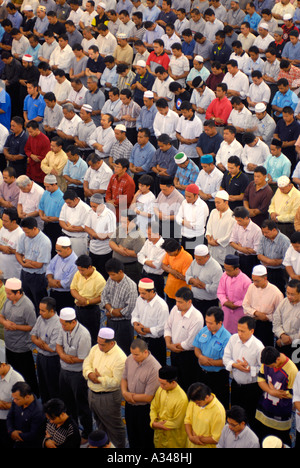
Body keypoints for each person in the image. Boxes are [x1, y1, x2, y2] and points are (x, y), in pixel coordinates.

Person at [82, 326, 127, 449]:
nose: (99, 347)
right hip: (92, 393)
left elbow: (117, 382)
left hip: (109, 397)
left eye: (102, 345)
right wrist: (89, 374)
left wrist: (99, 379)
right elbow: (87, 363)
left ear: (111, 343)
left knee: (114, 428)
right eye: (98, 343)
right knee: (100, 424)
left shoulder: (120, 358)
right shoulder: (96, 348)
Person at [56, 306, 92, 445]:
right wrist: (63, 356)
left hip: (78, 374)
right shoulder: (63, 327)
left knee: (82, 405)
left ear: (73, 322)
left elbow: (84, 357)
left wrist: (68, 358)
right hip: (64, 371)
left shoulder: (83, 335)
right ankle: (72, 430)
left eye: (64, 324)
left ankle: (87, 432)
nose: (62, 326)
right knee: (67, 403)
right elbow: (58, 345)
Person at [0, 277, 38, 397]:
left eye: (9, 293)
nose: (7, 295)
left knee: (27, 375)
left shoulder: (27, 306)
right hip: (9, 344)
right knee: (12, 373)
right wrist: (5, 323)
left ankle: (32, 396)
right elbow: (1, 316)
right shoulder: (8, 301)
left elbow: (32, 326)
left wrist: (16, 327)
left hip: (22, 347)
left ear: (18, 292)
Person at [121, 338, 161, 449]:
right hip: (130, 406)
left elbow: (148, 397)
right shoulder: (130, 359)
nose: (134, 357)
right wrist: (124, 392)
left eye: (137, 355)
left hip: (144, 411)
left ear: (145, 352)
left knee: (145, 440)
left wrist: (130, 396)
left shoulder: (155, 368)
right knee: (132, 437)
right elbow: (124, 378)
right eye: (132, 354)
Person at [255, 346, 298, 446]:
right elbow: (261, 380)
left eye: (271, 366)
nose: (269, 368)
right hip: (264, 409)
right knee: (263, 439)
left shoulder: (292, 370)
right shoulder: (267, 362)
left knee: (280, 442)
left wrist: (279, 393)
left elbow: (294, 393)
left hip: (281, 413)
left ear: (278, 359)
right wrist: (271, 391)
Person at [164, 287, 204, 391]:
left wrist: (173, 346)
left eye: (180, 302)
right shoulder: (175, 309)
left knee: (187, 384)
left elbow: (190, 343)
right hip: (174, 352)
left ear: (189, 301)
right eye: (176, 301)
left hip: (188, 357)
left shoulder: (197, 317)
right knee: (175, 382)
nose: (177, 304)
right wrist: (169, 344)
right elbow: (167, 327)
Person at [193, 306, 231, 409]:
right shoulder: (204, 330)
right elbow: (196, 347)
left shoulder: (227, 338)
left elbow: (226, 361)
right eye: (207, 322)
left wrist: (209, 362)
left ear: (220, 323)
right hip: (201, 374)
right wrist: (201, 357)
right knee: (200, 403)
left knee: (219, 405)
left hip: (217, 377)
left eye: (211, 323)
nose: (207, 325)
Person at [101, 258, 138, 356]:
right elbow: (104, 296)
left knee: (123, 352)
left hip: (124, 325)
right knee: (109, 349)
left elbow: (128, 310)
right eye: (109, 274)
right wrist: (111, 310)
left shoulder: (131, 286)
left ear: (120, 272)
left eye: (113, 274)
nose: (111, 277)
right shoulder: (111, 279)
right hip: (110, 321)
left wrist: (111, 311)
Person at [15, 216, 51, 314]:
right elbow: (18, 253)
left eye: (27, 232)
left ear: (34, 228)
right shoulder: (23, 236)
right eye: (24, 232)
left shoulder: (44, 242)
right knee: (26, 301)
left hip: (38, 277)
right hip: (25, 274)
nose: (26, 234)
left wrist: (25, 262)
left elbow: (39, 265)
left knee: (39, 303)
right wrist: (24, 262)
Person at [243, 264, 284, 346]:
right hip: (252, 322)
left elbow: (280, 315)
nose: (254, 283)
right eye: (253, 280)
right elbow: (245, 305)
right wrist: (256, 313)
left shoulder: (276, 293)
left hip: (266, 327)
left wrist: (266, 318)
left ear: (265, 278)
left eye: (257, 281)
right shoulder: (251, 287)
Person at [30, 297, 62, 403]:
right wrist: (41, 343)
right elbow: (33, 336)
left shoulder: (58, 325)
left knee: (53, 387)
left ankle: (55, 412)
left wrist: (38, 341)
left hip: (52, 361)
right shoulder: (40, 318)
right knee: (42, 385)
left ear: (51, 311)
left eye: (43, 310)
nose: (40, 312)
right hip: (40, 357)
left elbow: (52, 349)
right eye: (39, 310)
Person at [131, 278, 169, 366]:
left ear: (152, 291)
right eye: (140, 292)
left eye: (143, 293)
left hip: (155, 342)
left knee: (156, 367)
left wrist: (146, 330)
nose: (141, 295)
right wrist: (135, 325)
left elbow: (162, 328)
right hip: (141, 338)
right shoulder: (140, 299)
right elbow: (135, 314)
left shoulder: (161, 306)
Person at [70, 254, 106, 346]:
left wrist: (87, 302)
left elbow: (102, 297)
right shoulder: (78, 274)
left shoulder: (99, 279)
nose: (80, 272)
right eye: (79, 269)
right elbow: (73, 289)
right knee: (76, 334)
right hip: (78, 308)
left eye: (82, 270)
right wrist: (80, 299)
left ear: (90, 267)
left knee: (91, 337)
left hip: (91, 311)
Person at [149, 365, 188, 449]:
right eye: (160, 383)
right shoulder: (161, 389)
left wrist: (158, 425)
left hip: (173, 439)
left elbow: (176, 422)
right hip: (159, 437)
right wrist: (153, 422)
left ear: (173, 382)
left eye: (164, 384)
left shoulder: (181, 399)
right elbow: (153, 406)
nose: (161, 386)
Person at [217, 254, 252, 334]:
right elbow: (220, 292)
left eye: (229, 270)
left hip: (240, 312)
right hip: (226, 312)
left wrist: (235, 305)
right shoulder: (224, 276)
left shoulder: (246, 281)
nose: (226, 272)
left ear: (236, 269)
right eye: (225, 269)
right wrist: (225, 302)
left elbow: (248, 299)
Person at [184, 382, 226, 448]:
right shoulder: (194, 401)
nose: (196, 405)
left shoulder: (218, 411)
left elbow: (216, 438)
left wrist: (198, 439)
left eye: (198, 403)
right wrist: (191, 437)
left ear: (207, 397)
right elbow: (187, 420)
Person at [109, 210, 145, 285]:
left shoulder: (139, 236)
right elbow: (111, 242)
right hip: (117, 265)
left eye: (125, 222)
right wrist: (119, 249)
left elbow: (138, 254)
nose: (122, 224)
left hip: (131, 268)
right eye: (121, 222)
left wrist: (123, 251)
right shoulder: (120, 228)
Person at [186, 245, 223, 316]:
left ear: (207, 256)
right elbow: (187, 275)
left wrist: (204, 286)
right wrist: (192, 280)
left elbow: (217, 289)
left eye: (199, 259)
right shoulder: (194, 262)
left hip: (209, 303)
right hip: (194, 300)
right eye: (195, 258)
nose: (197, 261)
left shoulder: (216, 268)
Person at [6, 381, 45, 448]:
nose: (14, 401)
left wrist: (16, 435)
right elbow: (9, 417)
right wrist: (11, 431)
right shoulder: (16, 401)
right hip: (17, 442)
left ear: (27, 397)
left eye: (17, 399)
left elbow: (34, 434)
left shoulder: (38, 411)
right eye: (13, 398)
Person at [257, 219, 290, 295]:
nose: (264, 234)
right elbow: (259, 255)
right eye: (263, 232)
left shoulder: (285, 241)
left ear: (274, 230)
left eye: (266, 232)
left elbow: (286, 260)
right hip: (265, 270)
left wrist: (268, 261)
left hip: (279, 272)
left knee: (278, 293)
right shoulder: (263, 238)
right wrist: (271, 262)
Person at [176, 184, 209, 256]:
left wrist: (184, 223)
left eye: (189, 197)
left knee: (195, 260)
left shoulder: (202, 206)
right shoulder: (184, 202)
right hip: (184, 236)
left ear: (196, 196)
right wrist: (185, 222)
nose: (187, 198)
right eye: (186, 196)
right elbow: (177, 218)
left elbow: (198, 226)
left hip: (196, 238)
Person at [230, 206, 262, 278]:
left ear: (246, 218)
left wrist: (239, 247)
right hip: (238, 256)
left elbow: (256, 250)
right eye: (236, 220)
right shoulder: (236, 225)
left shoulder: (257, 230)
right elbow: (232, 242)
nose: (238, 223)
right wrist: (241, 249)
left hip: (250, 260)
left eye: (239, 220)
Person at [272, 279, 300, 363]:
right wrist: (281, 334)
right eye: (287, 293)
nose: (289, 296)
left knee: (295, 371)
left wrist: (284, 341)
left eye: (292, 294)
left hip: (296, 346)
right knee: (280, 367)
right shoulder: (284, 302)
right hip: (281, 340)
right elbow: (276, 321)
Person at [205, 190, 236, 266]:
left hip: (224, 251)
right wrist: (209, 240)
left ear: (226, 202)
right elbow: (208, 228)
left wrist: (217, 242)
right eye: (215, 202)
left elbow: (229, 236)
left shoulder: (232, 216)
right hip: (212, 249)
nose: (216, 205)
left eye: (218, 203)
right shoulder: (213, 212)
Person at [161, 239, 193, 310]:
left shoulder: (187, 257)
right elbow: (163, 265)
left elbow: (184, 277)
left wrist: (169, 270)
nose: (168, 254)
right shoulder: (169, 252)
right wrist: (172, 271)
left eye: (169, 253)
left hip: (182, 294)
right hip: (169, 290)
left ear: (176, 250)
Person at [59, 189, 91, 257]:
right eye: (66, 202)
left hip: (78, 240)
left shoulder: (86, 209)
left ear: (75, 199)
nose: (67, 204)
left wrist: (72, 229)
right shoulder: (65, 205)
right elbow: (61, 220)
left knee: (77, 261)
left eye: (69, 203)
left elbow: (87, 227)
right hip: (65, 236)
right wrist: (67, 228)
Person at [38, 174, 65, 257]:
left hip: (56, 226)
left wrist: (48, 219)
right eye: (45, 186)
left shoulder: (61, 197)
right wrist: (42, 216)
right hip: (46, 223)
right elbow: (41, 206)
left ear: (54, 184)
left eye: (48, 186)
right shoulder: (46, 193)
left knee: (53, 248)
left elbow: (61, 217)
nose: (46, 189)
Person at [0, 361, 25, 448]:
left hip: (7, 422)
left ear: (3, 364)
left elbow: (22, 405)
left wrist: (4, 405)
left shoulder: (17, 380)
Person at [105, 158, 136, 222]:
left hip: (122, 213)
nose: (115, 169)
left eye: (118, 167)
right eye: (115, 166)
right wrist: (108, 200)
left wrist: (113, 202)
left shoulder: (129, 181)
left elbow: (126, 198)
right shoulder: (113, 177)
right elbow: (108, 190)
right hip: (112, 210)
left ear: (124, 169)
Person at [0, 207, 24, 280]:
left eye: (6, 221)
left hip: (13, 275)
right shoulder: (3, 229)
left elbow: (24, 254)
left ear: (14, 222)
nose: (3, 223)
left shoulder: (21, 235)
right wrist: (2, 248)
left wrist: (12, 251)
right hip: (1, 272)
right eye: (2, 220)